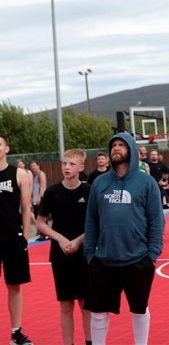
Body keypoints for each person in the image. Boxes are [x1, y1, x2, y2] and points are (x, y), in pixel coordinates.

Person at [83, 132, 164, 345]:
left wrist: (152, 254)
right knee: (98, 312)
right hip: (103, 260)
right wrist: (90, 253)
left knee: (139, 309)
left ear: (131, 150)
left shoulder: (146, 182)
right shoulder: (100, 183)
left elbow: (156, 219)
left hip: (138, 259)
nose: (116, 148)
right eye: (113, 146)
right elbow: (91, 220)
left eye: (121, 145)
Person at [36, 149, 92, 345]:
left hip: (84, 255)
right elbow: (40, 222)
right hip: (60, 257)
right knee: (66, 305)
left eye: (71, 164)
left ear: (81, 167)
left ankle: (89, 341)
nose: (67, 167)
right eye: (64, 163)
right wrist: (60, 239)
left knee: (86, 304)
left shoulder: (89, 191)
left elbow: (97, 224)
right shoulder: (52, 192)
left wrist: (78, 241)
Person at [0, 134, 34, 345]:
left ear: (6, 149)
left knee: (14, 286)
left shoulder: (19, 174)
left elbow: (26, 207)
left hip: (12, 236)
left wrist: (26, 236)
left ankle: (16, 332)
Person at [30, 160, 48, 241]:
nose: (33, 167)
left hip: (40, 198)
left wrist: (39, 197)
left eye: (34, 165)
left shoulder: (41, 174)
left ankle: (45, 234)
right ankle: (42, 233)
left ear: (38, 166)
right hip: (35, 198)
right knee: (38, 216)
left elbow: (43, 186)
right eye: (31, 166)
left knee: (41, 217)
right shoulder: (35, 175)